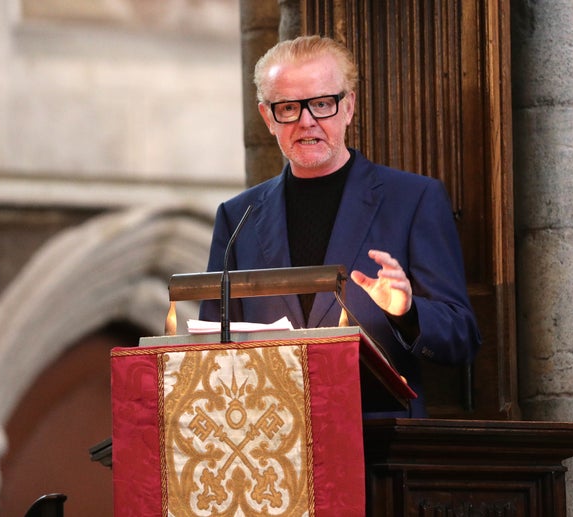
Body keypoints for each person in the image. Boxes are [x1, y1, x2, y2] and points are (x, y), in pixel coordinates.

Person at [199, 35, 480, 417]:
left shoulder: (413, 200)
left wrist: (407, 312)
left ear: (347, 107)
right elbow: (210, 346)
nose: (306, 121)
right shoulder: (238, 217)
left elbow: (462, 339)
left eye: (321, 104)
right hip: (268, 442)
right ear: (268, 117)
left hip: (378, 445)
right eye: (288, 108)